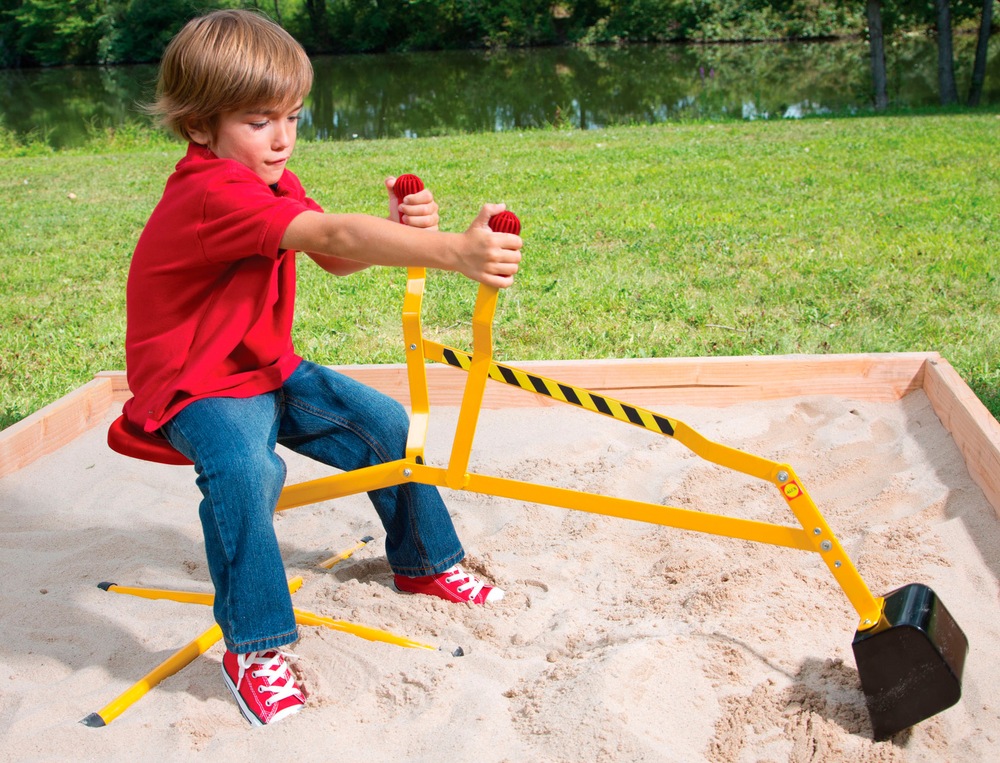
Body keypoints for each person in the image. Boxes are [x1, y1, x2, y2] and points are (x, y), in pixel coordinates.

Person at [123, 9, 522, 726]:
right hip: (199, 384)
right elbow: (331, 232)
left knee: (384, 423)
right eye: (258, 121)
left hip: (265, 366)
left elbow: (335, 255)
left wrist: (400, 232)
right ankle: (256, 648)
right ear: (199, 126)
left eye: (294, 117)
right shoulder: (211, 193)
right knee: (246, 474)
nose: (282, 139)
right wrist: (457, 255)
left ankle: (425, 562)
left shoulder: (269, 181)